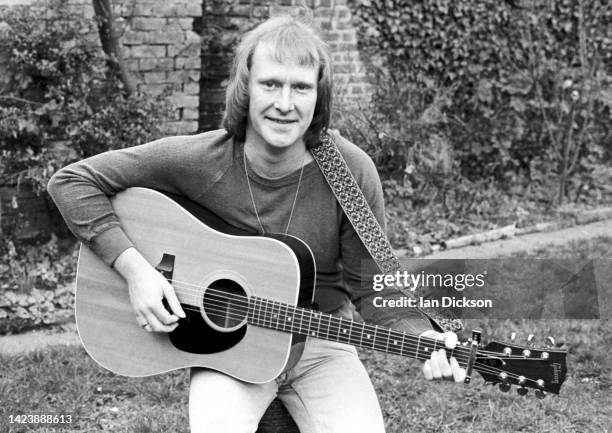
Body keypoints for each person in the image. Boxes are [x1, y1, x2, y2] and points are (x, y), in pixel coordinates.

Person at [48, 14, 465, 433]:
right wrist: (136, 270)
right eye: (271, 84)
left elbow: (376, 286)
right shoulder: (201, 159)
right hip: (232, 355)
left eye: (300, 87)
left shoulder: (350, 172)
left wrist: (423, 338)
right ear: (246, 88)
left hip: (321, 344)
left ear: (318, 97)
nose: (285, 104)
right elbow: (71, 182)